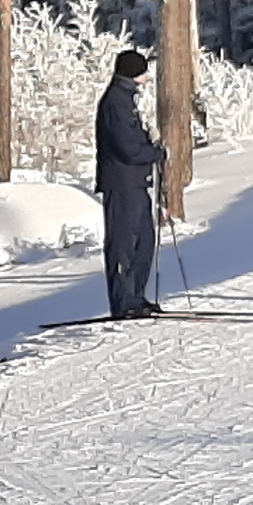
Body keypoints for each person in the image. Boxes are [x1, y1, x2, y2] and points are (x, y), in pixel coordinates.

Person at [96, 47, 164, 319]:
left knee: (144, 240)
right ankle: (123, 301)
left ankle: (135, 296)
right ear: (132, 74)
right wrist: (157, 153)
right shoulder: (116, 102)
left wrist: (151, 142)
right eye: (143, 72)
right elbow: (128, 148)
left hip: (136, 182)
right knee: (123, 243)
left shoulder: (127, 99)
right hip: (121, 182)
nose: (147, 78)